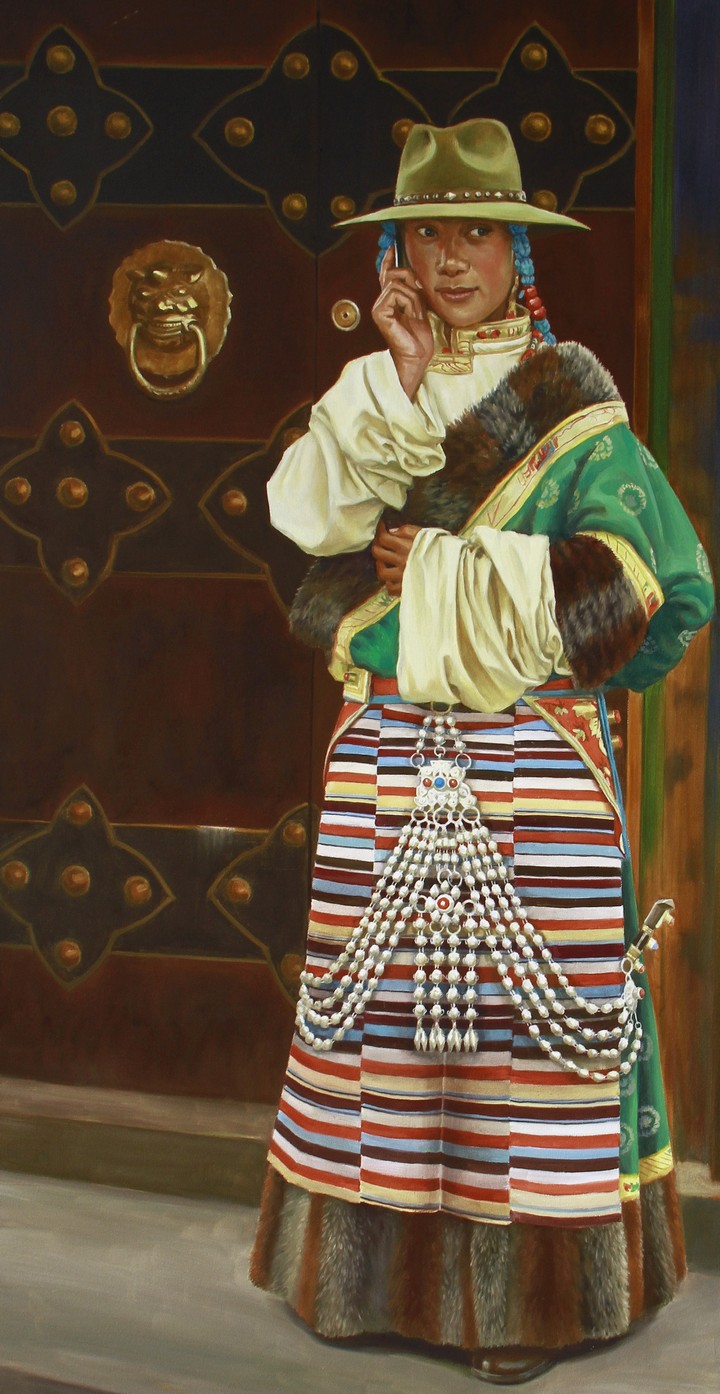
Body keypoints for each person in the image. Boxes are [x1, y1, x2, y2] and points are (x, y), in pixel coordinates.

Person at [249, 119, 714, 1384]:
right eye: (427, 235)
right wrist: (403, 383)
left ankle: (529, 1308)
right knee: (386, 1032)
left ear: (519, 250)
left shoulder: (576, 404)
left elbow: (651, 587)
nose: (451, 260)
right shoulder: (369, 395)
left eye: (478, 233)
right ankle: (361, 1287)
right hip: (387, 753)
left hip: (534, 756)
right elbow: (310, 540)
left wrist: (454, 570)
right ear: (396, 253)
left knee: (523, 1045)